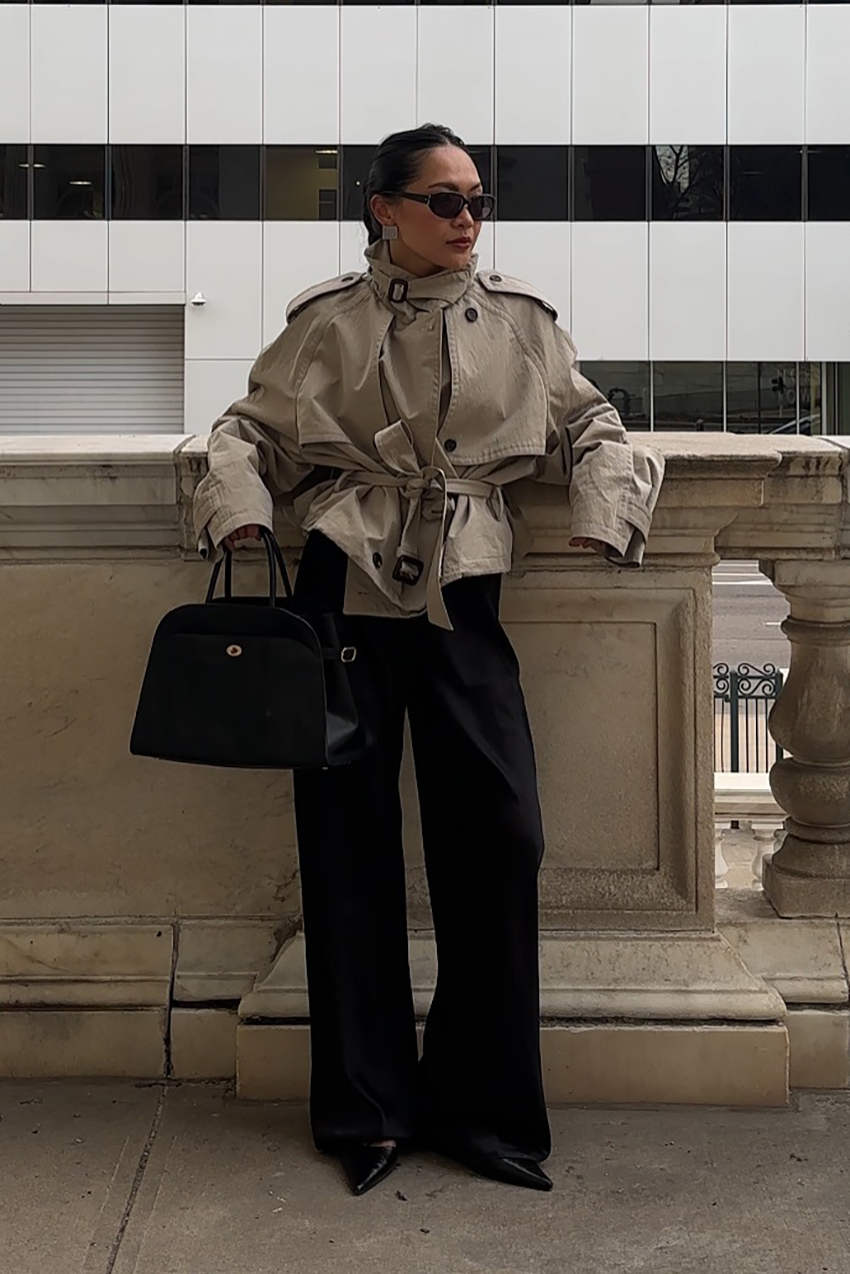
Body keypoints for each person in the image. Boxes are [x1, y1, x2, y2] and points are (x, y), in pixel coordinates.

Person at [193, 124, 664, 1198]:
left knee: (498, 838)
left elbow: (592, 422)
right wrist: (236, 516)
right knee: (347, 849)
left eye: (476, 201)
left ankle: (485, 1109)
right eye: (443, 200)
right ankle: (366, 1111)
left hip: (466, 591)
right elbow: (243, 431)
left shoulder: (521, 321)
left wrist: (604, 507)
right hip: (341, 593)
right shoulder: (323, 323)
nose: (466, 220)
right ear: (384, 208)